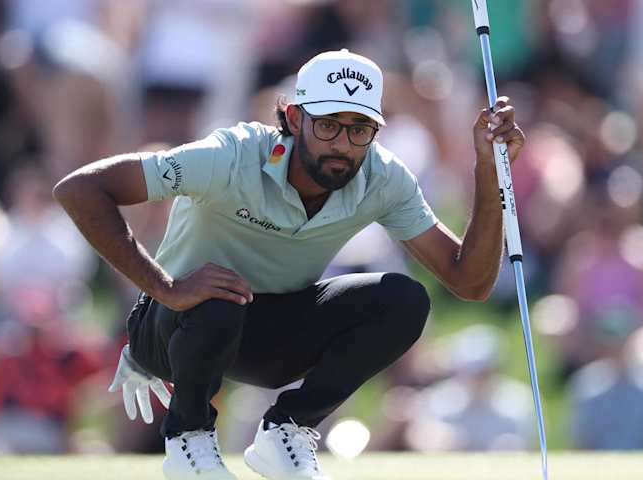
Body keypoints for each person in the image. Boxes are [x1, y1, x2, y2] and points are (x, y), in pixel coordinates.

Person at [53, 49, 524, 480]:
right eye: (328, 125)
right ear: (295, 118)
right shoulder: (230, 155)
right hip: (172, 323)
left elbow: (469, 281)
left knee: (405, 299)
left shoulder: (382, 177)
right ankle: (188, 440)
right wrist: (166, 287)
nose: (343, 144)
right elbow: (80, 189)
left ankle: (287, 431)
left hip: (266, 337)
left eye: (359, 129)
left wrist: (489, 172)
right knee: (221, 294)